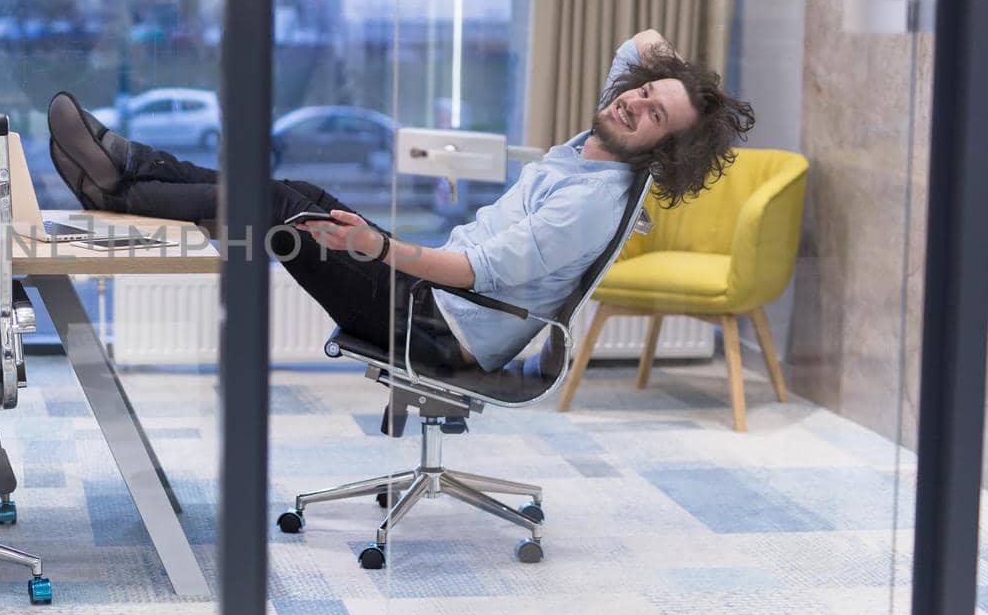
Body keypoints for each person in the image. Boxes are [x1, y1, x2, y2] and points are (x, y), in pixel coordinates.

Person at [47, 30, 756, 373]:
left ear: (662, 150)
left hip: (439, 325)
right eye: (641, 91)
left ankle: (121, 177)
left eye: (655, 115)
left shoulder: (593, 202)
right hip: (427, 294)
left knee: (285, 203)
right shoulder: (597, 142)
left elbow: (479, 271)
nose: (635, 103)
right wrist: (682, 83)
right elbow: (641, 44)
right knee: (298, 197)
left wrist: (380, 247)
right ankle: (126, 172)